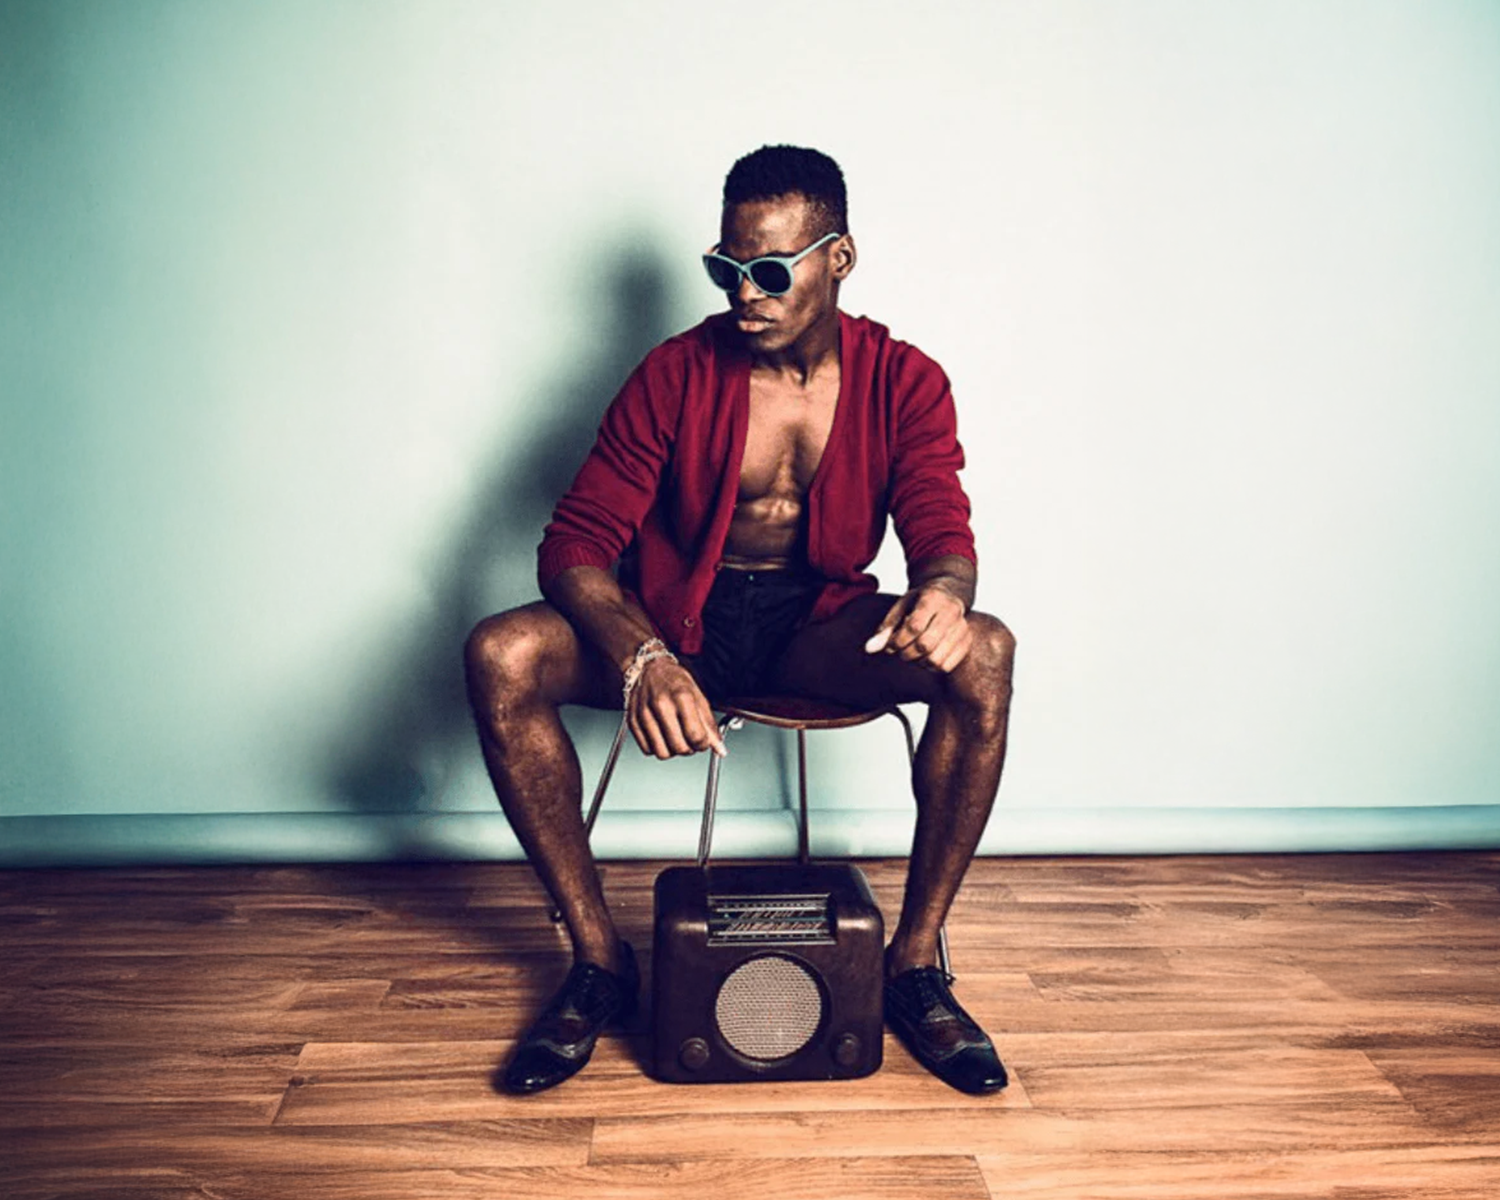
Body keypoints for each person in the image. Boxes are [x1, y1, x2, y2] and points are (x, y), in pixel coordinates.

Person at [464, 145, 1015, 1096]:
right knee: (501, 653)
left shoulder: (906, 379)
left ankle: (915, 966)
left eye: (769, 271)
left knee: (987, 654)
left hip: (817, 624)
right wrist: (642, 656)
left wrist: (944, 591)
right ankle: (600, 961)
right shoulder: (675, 373)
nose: (745, 294)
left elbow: (938, 517)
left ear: (838, 258)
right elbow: (575, 545)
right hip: (680, 621)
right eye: (727, 270)